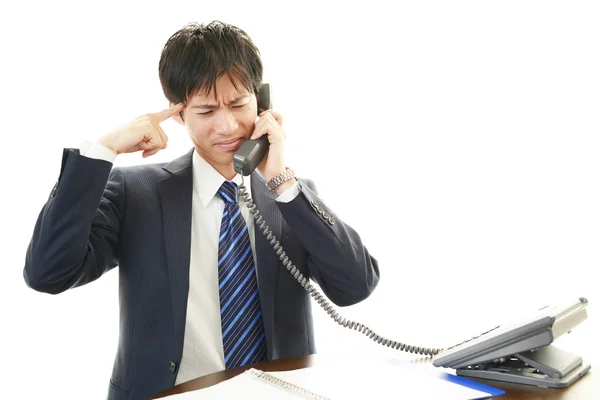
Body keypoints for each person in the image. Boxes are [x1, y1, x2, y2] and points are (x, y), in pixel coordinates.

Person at [23, 20, 380, 400]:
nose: (227, 126)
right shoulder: (134, 193)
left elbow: (355, 286)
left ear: (262, 102)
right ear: (178, 114)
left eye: (239, 104)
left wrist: (283, 183)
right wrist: (103, 150)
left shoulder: (292, 197)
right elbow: (48, 273)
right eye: (206, 111)